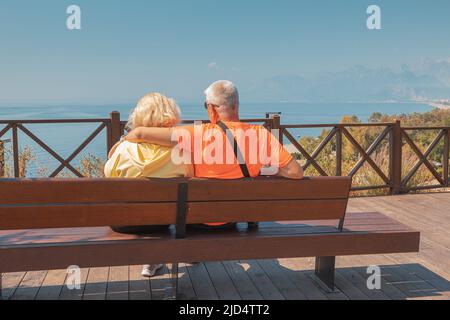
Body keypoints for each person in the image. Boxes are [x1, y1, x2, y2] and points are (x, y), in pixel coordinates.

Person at [124, 80, 304, 181]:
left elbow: (140, 134)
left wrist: (124, 139)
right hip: (235, 218)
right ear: (236, 105)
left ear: (211, 108)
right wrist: (265, 168)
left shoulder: (196, 133)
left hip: (198, 222)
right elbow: (296, 172)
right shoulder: (261, 134)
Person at [105, 92, 193, 277]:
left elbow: (108, 176)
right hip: (159, 223)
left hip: (122, 223)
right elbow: (191, 180)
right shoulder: (181, 153)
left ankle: (151, 261)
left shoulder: (123, 148)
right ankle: (153, 259)